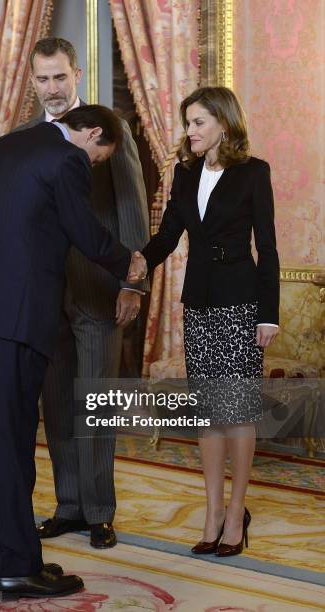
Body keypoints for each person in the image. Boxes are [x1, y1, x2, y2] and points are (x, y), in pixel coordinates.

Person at [0, 104, 147, 597]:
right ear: (92, 133)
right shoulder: (66, 158)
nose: (93, 166)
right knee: (11, 442)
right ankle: (18, 568)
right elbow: (82, 229)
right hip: (18, 320)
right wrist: (128, 266)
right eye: (99, 157)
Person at [16, 37, 149, 548]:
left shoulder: (109, 129)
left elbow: (132, 211)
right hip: (46, 296)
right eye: (43, 79)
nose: (52, 88)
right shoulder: (25, 137)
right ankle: (68, 505)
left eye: (60, 77)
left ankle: (99, 511)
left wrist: (133, 283)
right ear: (32, 80)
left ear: (78, 73)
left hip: (99, 292)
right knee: (58, 404)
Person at [141, 87, 280, 557]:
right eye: (188, 123)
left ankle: (237, 512)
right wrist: (137, 263)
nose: (190, 131)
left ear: (223, 122)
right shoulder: (183, 174)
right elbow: (166, 236)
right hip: (199, 303)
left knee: (236, 413)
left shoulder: (253, 173)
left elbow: (269, 248)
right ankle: (214, 511)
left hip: (241, 303)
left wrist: (269, 315)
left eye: (198, 122)